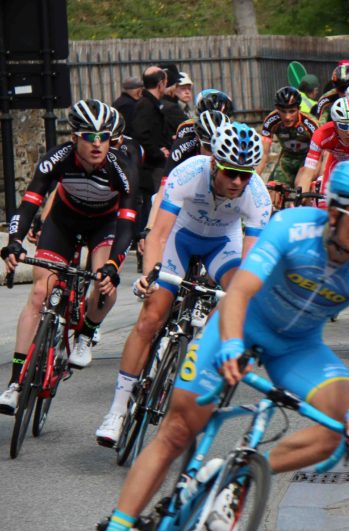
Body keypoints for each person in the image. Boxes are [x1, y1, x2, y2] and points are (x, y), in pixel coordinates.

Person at [74, 158, 349, 531]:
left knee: (342, 426)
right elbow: (240, 292)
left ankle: (242, 473)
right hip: (241, 325)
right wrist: (230, 345)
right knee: (177, 431)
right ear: (335, 213)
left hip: (299, 348)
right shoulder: (292, 227)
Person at [93, 122, 271, 444]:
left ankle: (198, 352)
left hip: (223, 245)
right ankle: (117, 410)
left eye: (245, 175)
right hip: (181, 238)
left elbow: (249, 265)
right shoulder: (189, 172)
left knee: (236, 296)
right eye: (231, 172)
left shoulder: (257, 195)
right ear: (215, 163)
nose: (237, 182)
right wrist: (150, 275)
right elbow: (159, 234)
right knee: (150, 318)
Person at [0, 100, 139, 412]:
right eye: (89, 137)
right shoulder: (58, 158)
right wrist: (15, 242)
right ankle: (15, 383)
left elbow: (128, 225)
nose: (97, 144)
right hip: (63, 223)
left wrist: (113, 265)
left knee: (105, 284)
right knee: (40, 293)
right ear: (75, 138)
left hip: (104, 226)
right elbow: (29, 203)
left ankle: (86, 334)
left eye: (103, 137)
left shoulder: (122, 168)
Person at [297, 97, 349, 197]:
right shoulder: (322, 134)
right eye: (343, 126)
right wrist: (300, 198)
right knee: (323, 198)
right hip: (335, 164)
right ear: (334, 124)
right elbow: (308, 173)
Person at [258, 86, 319, 205]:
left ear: (299, 109)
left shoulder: (310, 124)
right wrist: (252, 179)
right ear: (277, 109)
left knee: (301, 193)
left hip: (307, 159)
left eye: (292, 111)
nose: (287, 117)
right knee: (272, 194)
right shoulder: (271, 121)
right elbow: (263, 154)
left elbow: (321, 155)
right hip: (287, 159)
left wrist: (313, 176)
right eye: (283, 111)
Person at [132, 66, 169, 234]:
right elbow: (141, 135)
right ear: (160, 84)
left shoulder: (151, 104)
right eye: (165, 83)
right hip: (150, 167)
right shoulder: (146, 105)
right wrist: (159, 152)